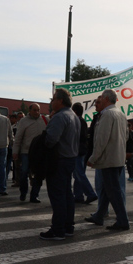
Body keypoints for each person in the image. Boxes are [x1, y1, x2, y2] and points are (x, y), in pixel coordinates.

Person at [40, 88, 81, 240]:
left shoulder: (59, 117)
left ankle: (58, 229)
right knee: (66, 194)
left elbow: (50, 140)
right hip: (70, 158)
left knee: (57, 196)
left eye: (53, 99)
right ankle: (68, 226)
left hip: (58, 160)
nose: (51, 102)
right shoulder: (74, 116)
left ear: (60, 101)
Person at [86, 89, 130, 230]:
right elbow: (126, 136)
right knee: (107, 189)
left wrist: (93, 157)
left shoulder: (106, 114)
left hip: (108, 159)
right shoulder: (121, 114)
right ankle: (99, 215)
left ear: (105, 99)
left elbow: (101, 139)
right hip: (118, 157)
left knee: (113, 191)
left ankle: (123, 221)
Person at [13, 103, 46, 203]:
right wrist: (15, 151)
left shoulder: (44, 120)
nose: (37, 112)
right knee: (24, 173)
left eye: (38, 110)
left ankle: (34, 195)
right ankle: (23, 192)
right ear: (30, 111)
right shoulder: (24, 121)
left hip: (39, 153)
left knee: (39, 175)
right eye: (34, 110)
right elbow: (18, 137)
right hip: (26, 151)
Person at [72, 103, 97, 205]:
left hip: (77, 150)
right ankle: (78, 196)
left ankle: (90, 193)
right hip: (82, 150)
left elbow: (76, 137)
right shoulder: (83, 121)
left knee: (79, 174)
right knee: (78, 174)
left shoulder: (76, 121)